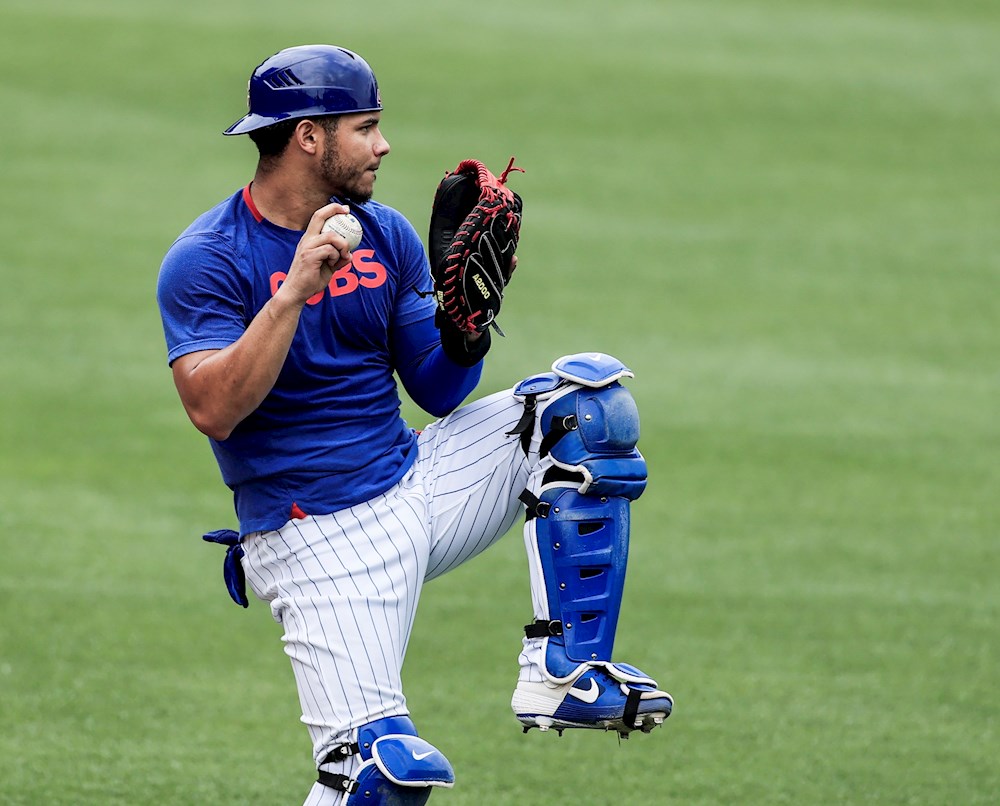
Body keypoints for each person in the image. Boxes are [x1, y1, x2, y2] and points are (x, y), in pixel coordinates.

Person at [156, 44, 672, 806]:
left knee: (584, 410)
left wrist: (465, 329)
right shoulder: (208, 258)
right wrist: (294, 291)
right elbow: (214, 408)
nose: (383, 145)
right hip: (315, 536)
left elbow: (434, 389)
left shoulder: (385, 233)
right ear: (309, 135)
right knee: (382, 779)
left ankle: (562, 673)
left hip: (416, 481)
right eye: (365, 128)